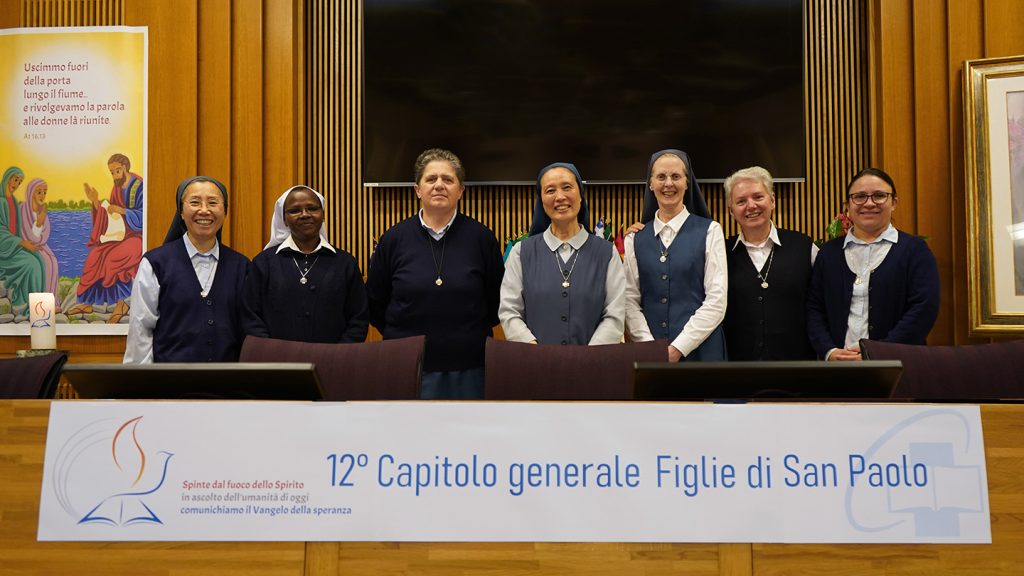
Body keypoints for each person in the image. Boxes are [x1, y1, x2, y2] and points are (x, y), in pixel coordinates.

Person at [366, 148, 504, 399]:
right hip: (405, 364)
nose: (439, 185)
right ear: (417, 189)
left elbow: (496, 301)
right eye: (431, 179)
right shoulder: (393, 239)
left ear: (460, 190)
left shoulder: (482, 238)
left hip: (469, 367)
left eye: (448, 179)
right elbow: (375, 303)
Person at [806, 167, 940, 361]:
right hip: (839, 367)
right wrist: (829, 351)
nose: (869, 203)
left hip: (898, 366)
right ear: (848, 205)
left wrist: (879, 353)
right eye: (859, 196)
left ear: (894, 203)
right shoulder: (828, 254)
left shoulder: (915, 251)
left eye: (879, 196)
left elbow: (924, 308)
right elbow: (814, 308)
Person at [123, 176, 250, 363]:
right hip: (171, 379)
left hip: (226, 379)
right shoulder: (155, 263)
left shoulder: (242, 266)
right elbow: (140, 330)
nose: (204, 210)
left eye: (213, 202)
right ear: (181, 212)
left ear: (225, 211)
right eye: (195, 202)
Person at [499, 162, 626, 345]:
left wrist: (588, 356)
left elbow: (614, 315)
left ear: (580, 195)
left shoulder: (607, 253)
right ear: (541, 201)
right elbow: (510, 311)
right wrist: (535, 351)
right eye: (550, 190)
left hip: (592, 360)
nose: (560, 197)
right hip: (536, 360)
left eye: (567, 187)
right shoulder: (520, 253)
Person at [623, 150, 727, 362]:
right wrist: (650, 347)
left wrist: (678, 348)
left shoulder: (711, 230)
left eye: (676, 176)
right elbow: (629, 300)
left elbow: (716, 300)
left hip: (702, 352)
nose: (668, 183)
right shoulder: (634, 238)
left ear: (687, 183)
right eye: (661, 177)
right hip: (651, 356)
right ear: (651, 184)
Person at [242, 185, 368, 343]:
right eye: (295, 210)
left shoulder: (345, 264)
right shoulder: (263, 263)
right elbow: (251, 316)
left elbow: (358, 319)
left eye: (312, 208)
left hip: (335, 357)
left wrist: (339, 353)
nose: (305, 215)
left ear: (323, 215)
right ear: (284, 219)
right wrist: (271, 351)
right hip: (276, 356)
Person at [722, 167, 816, 360]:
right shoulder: (720, 252)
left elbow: (819, 306)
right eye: (741, 201)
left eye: (758, 197)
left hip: (797, 366)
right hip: (737, 367)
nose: (751, 206)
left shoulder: (805, 247)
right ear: (731, 211)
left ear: (772, 200)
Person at [72, 153, 144, 319]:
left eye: (117, 171)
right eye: (111, 172)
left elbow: (145, 216)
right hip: (119, 236)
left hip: (137, 237)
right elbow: (109, 217)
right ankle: (87, 303)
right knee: (94, 257)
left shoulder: (139, 186)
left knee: (113, 258)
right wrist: (96, 202)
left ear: (125, 168)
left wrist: (123, 211)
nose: (114, 176)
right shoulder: (116, 188)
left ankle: (122, 303)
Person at [0, 166, 45, 308]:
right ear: (7, 178)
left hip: (13, 247)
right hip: (4, 251)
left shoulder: (13, 200)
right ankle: (29, 305)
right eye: (15, 180)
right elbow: (1, 232)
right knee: (32, 264)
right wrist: (22, 243)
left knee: (39, 259)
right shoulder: (1, 201)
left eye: (20, 182)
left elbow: (16, 229)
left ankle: (40, 306)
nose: (17, 184)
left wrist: (25, 242)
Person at [19, 178, 60, 302]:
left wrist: (39, 236)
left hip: (41, 246)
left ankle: (52, 301)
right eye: (39, 192)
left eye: (44, 192)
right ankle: (41, 303)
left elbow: (45, 234)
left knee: (53, 261)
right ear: (31, 193)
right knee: (44, 262)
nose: (42, 195)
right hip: (25, 247)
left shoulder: (42, 211)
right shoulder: (23, 210)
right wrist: (38, 224)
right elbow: (27, 236)